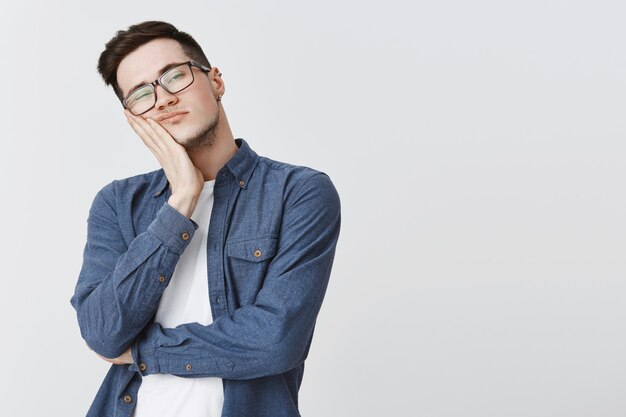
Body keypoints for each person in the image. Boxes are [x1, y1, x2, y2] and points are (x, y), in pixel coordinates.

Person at [70, 20, 341, 417]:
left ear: (216, 81)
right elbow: (102, 333)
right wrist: (181, 200)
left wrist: (144, 351)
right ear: (134, 118)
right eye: (142, 94)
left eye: (174, 76)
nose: (162, 99)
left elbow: (276, 340)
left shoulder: (298, 193)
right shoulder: (117, 203)